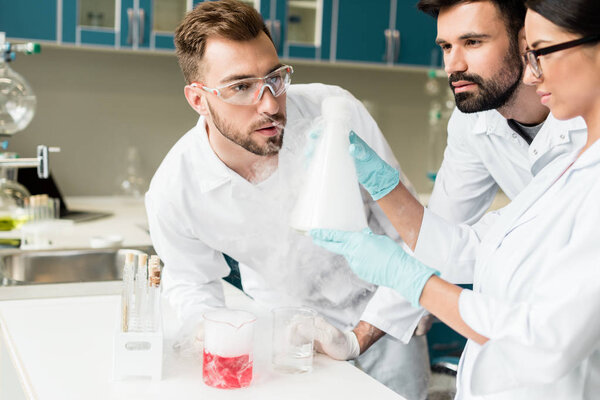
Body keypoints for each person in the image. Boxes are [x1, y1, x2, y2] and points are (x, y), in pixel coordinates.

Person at [312, 0, 600, 398]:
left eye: (473, 41)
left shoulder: (579, 155)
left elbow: (547, 340)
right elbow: (455, 243)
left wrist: (411, 278)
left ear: (523, 42)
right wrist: (358, 336)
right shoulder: (532, 157)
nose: (453, 65)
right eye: (446, 46)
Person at [145, 1, 429, 398]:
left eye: (275, 78)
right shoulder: (176, 188)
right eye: (241, 86)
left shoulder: (334, 115)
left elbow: (413, 236)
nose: (269, 103)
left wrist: (361, 336)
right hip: (287, 337)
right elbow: (191, 281)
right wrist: (208, 332)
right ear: (197, 99)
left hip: (385, 320)